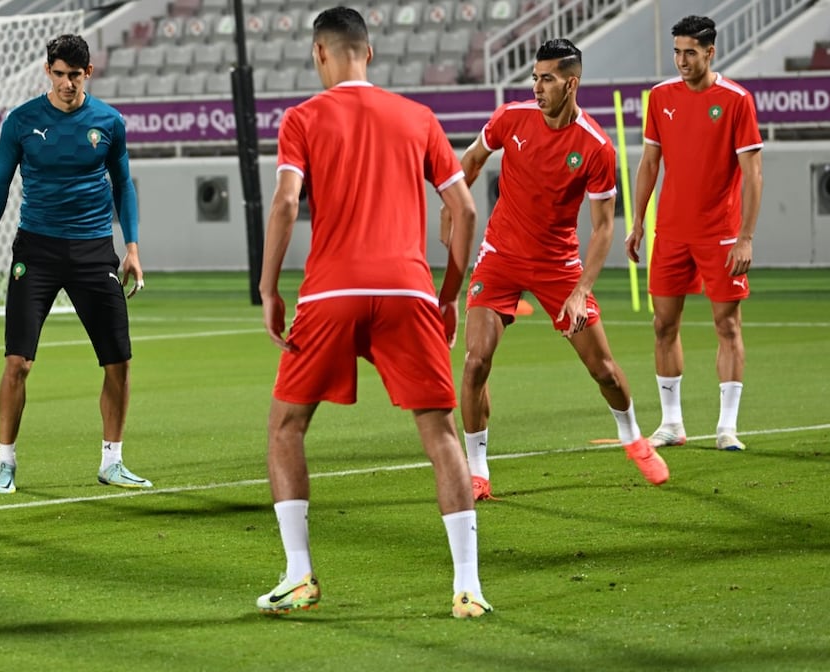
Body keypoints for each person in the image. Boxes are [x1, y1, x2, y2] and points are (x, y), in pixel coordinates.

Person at [257, 7, 490, 618]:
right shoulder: (418, 118)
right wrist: (449, 293)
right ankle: (467, 586)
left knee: (286, 429)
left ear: (319, 54)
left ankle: (299, 575)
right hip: (409, 293)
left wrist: (268, 287)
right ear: (370, 52)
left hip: (330, 294)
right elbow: (463, 212)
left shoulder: (302, 118)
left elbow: (285, 204)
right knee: (441, 435)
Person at [457, 39, 670, 502]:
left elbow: (600, 230)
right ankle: (477, 471)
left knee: (606, 372)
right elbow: (471, 160)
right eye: (534, 77)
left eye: (547, 79)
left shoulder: (595, 147)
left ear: (571, 83)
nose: (537, 87)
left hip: (559, 267)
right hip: (500, 257)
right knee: (476, 361)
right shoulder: (510, 117)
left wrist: (581, 289)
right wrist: (451, 203)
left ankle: (633, 438)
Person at [0, 34, 152, 493]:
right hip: (36, 250)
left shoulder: (109, 123)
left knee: (118, 362)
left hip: (95, 251)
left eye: (75, 75)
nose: (67, 83)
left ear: (88, 73)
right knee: (18, 362)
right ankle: (5, 461)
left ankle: (112, 461)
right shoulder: (21, 122)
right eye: (60, 74)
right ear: (47, 71)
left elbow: (124, 185)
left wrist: (131, 247)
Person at [628, 15, 763, 452]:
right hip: (669, 232)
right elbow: (650, 163)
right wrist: (636, 223)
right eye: (677, 52)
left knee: (727, 325)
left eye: (690, 52)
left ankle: (727, 427)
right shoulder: (660, 97)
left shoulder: (737, 100)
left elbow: (752, 173)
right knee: (663, 324)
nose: (681, 60)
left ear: (710, 52)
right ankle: (672, 424)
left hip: (721, 236)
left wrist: (745, 236)